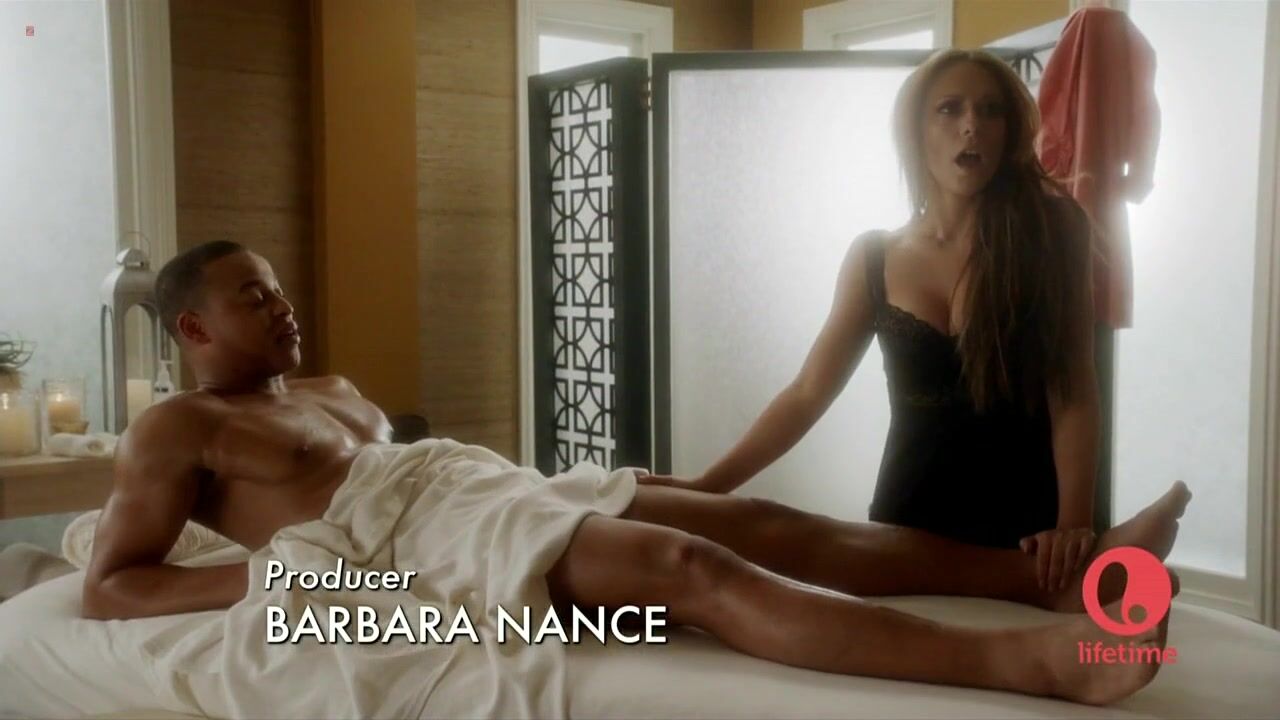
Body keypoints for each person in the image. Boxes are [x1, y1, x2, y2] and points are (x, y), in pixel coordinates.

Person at [81, 240, 1190, 706]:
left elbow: (416, 465)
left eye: (278, 289)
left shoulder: (327, 386)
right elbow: (112, 585)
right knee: (686, 567)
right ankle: (1028, 665)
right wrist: (278, 579)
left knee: (761, 516)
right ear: (191, 327)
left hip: (473, 485)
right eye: (252, 297)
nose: (280, 306)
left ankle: (1043, 578)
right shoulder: (176, 428)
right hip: (414, 543)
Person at [643, 49, 1113, 592]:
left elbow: (1073, 389)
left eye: (991, 111)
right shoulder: (875, 257)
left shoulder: (1053, 232)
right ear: (914, 130)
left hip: (1029, 535)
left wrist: (1073, 524)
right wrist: (707, 486)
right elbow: (807, 393)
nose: (972, 126)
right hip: (905, 526)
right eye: (949, 109)